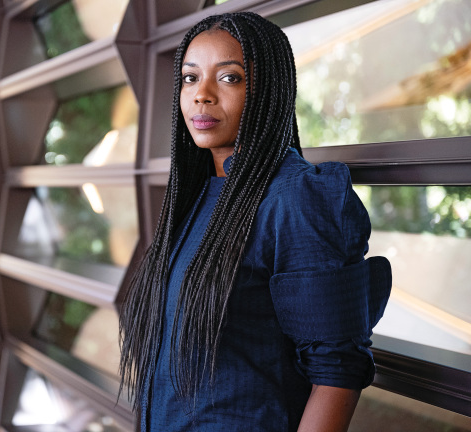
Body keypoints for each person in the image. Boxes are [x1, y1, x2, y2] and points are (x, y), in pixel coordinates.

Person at [118, 12, 392, 432]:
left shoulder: (296, 197)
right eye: (190, 78)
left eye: (229, 78)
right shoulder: (196, 195)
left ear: (268, 89)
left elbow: (337, 374)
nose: (202, 95)